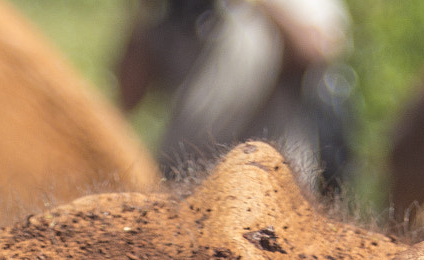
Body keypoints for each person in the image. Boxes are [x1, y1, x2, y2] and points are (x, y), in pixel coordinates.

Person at [117, 0, 354, 195]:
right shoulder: (182, 11)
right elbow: (129, 97)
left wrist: (261, 6)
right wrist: (144, 14)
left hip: (272, 183)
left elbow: (316, 49)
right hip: (187, 183)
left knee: (251, 32)